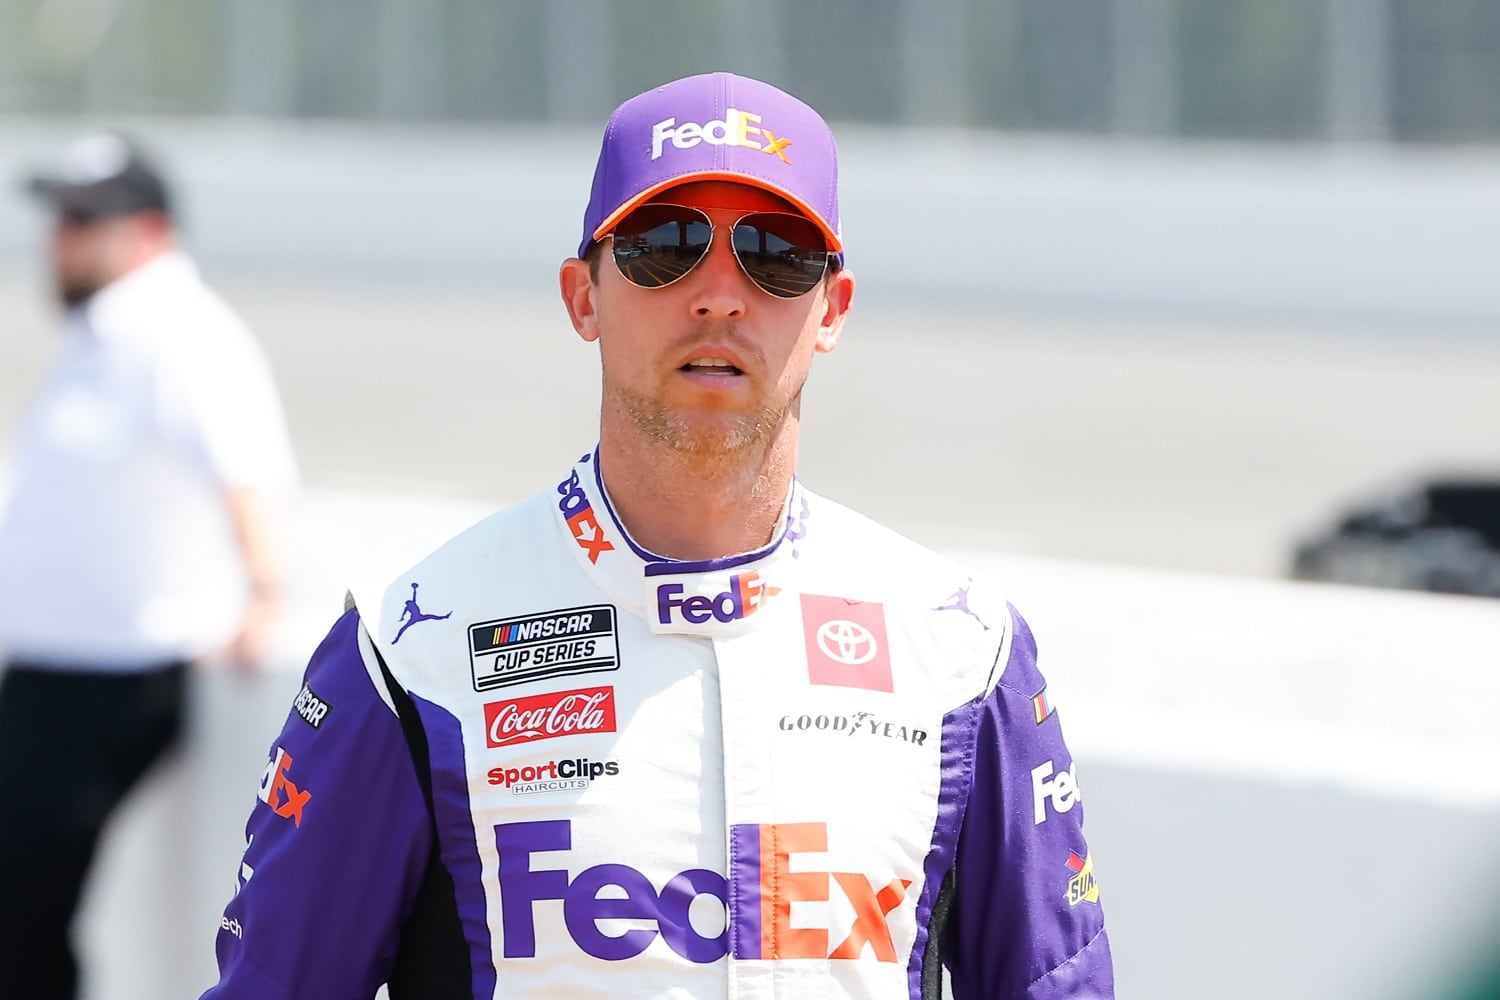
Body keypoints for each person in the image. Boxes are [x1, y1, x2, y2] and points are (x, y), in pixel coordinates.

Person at [203, 72, 1114, 998]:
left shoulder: (960, 652)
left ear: (831, 311)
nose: (719, 295)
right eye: (665, 247)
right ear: (583, 296)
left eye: (778, 253)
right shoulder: (414, 650)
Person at [0, 132, 298, 999]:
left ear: (151, 232)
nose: (59, 235)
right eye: (58, 215)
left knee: (20, 909)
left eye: (83, 218)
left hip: (114, 679)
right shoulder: (107, 332)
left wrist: (265, 593)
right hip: (56, 675)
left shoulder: (177, 329)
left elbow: (248, 466)